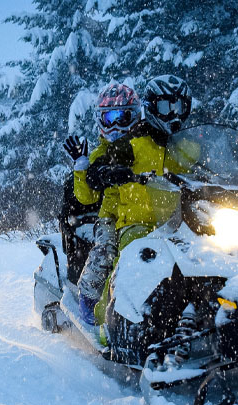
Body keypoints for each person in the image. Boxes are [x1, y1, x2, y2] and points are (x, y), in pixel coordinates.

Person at [84, 74, 195, 333]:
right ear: (151, 107)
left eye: (179, 107)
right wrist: (106, 172)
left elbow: (215, 169)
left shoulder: (190, 146)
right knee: (133, 253)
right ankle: (109, 318)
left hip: (183, 223)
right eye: (166, 107)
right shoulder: (132, 143)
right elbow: (98, 169)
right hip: (137, 223)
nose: (174, 115)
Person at [62, 82, 142, 326]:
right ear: (100, 120)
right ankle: (88, 298)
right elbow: (87, 197)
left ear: (135, 116)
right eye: (109, 118)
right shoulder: (99, 154)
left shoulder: (144, 146)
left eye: (122, 117)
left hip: (145, 214)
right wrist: (81, 166)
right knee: (105, 250)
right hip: (111, 217)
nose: (116, 125)